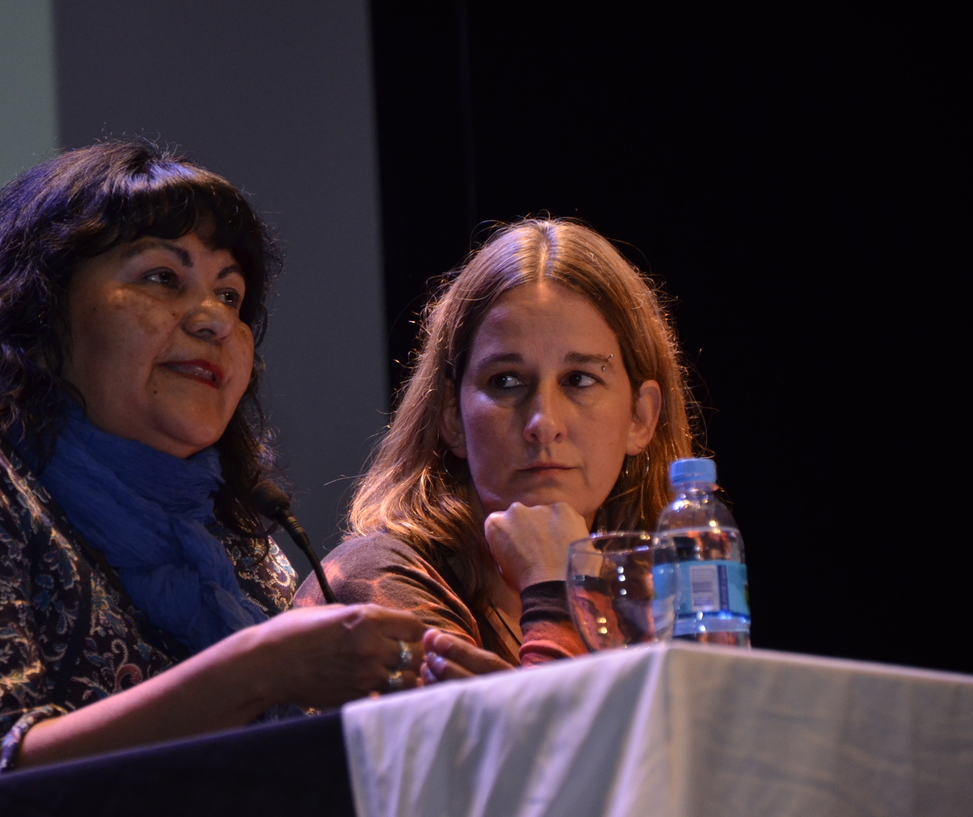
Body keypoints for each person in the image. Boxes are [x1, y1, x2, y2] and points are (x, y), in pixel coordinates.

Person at [0, 141, 425, 814]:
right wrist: (257, 672)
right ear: (42, 307)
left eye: (231, 294)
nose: (215, 319)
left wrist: (431, 705)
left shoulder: (231, 539)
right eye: (162, 277)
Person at [294, 218, 695, 680]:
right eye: (506, 381)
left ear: (640, 417)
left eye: (579, 380)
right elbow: (548, 730)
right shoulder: (377, 581)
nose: (544, 423)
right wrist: (551, 589)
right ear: (452, 416)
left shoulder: (642, 602)